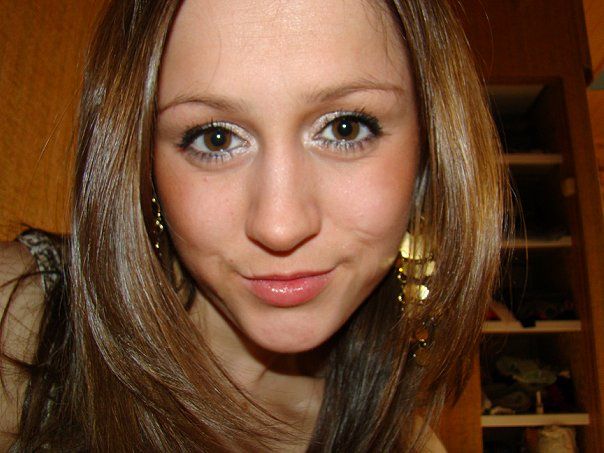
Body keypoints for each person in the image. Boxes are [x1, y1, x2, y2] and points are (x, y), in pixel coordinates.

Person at [0, 0, 507, 451]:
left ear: (427, 152)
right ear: (142, 165)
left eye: (344, 128)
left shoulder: (403, 444)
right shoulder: (19, 321)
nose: (280, 227)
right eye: (216, 139)